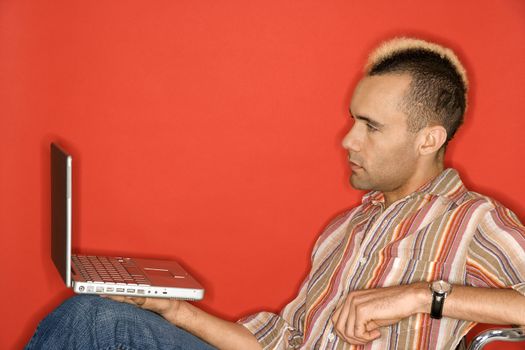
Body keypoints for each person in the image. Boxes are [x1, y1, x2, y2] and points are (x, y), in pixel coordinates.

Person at [26, 37, 525, 350]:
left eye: (371, 126)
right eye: (353, 121)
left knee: (87, 321)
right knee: (95, 314)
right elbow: (275, 342)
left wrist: (421, 296)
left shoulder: (473, 221)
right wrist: (171, 308)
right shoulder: (347, 229)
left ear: (428, 139)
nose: (348, 140)